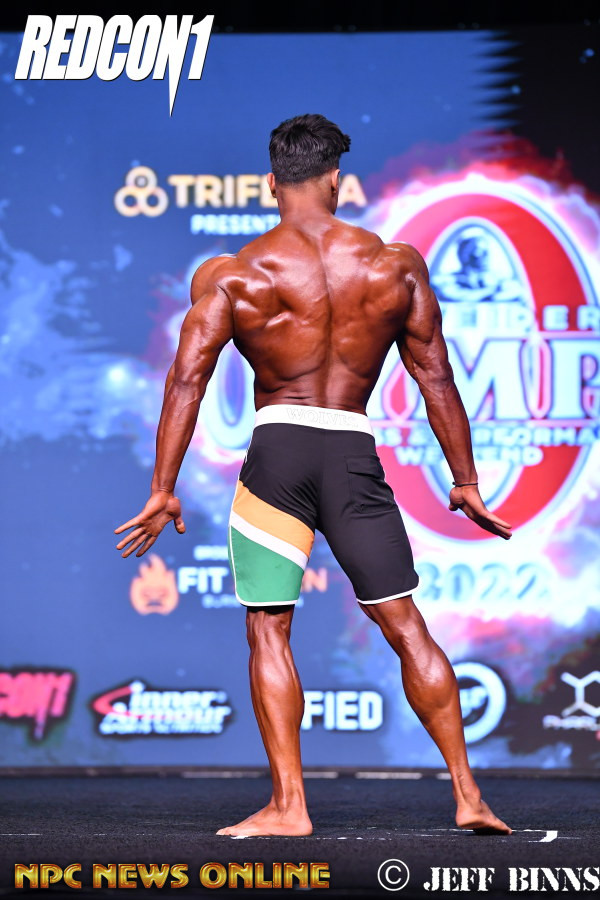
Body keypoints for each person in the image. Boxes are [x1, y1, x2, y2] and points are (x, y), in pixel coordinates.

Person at [114, 114, 513, 838]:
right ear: (336, 179)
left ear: (272, 182)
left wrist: (162, 488)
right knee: (406, 625)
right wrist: (466, 481)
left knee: (269, 628)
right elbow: (436, 378)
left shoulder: (234, 274)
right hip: (352, 455)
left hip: (280, 457)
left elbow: (185, 382)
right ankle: (469, 796)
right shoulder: (394, 266)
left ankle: (290, 806)